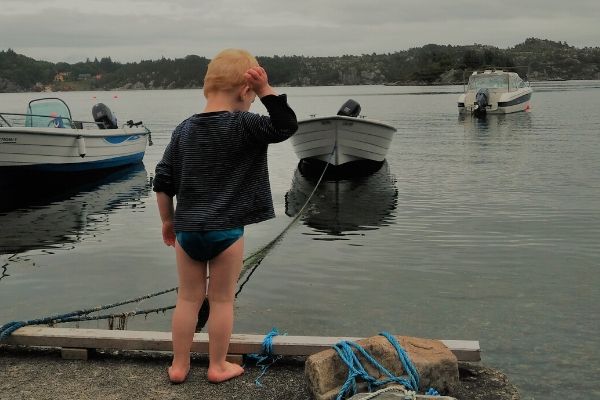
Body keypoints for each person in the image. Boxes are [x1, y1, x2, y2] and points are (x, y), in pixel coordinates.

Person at [153, 48, 298, 384]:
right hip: (227, 232)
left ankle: (178, 366)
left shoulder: (183, 130)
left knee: (187, 299)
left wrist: (167, 221)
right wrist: (267, 92)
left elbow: (163, 180)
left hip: (187, 231)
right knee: (221, 301)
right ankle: (217, 366)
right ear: (245, 92)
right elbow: (285, 126)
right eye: (251, 96)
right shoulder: (245, 123)